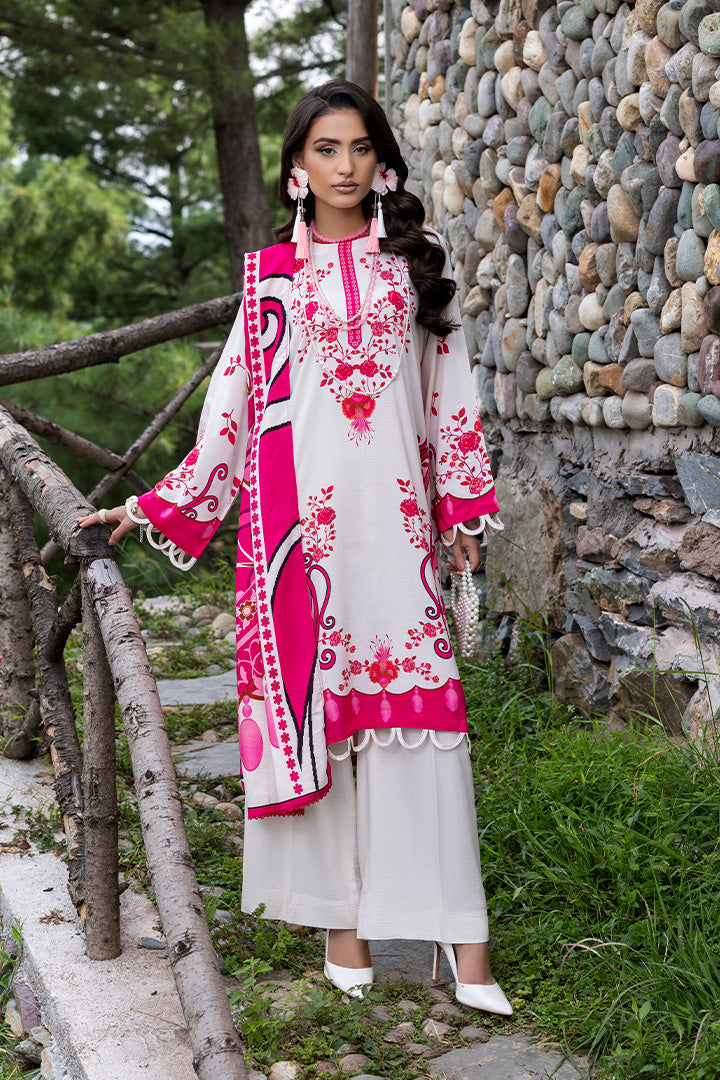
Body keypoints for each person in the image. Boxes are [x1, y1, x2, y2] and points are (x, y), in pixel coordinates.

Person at [79, 79, 511, 1015]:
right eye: (326, 149)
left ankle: (462, 935)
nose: (345, 166)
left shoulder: (421, 261)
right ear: (296, 170)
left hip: (398, 528)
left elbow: (451, 389)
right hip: (301, 536)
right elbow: (231, 409)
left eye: (359, 147)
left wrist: (463, 511)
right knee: (326, 715)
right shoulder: (270, 277)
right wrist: (151, 506)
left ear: (381, 160)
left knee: (424, 720)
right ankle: (342, 924)